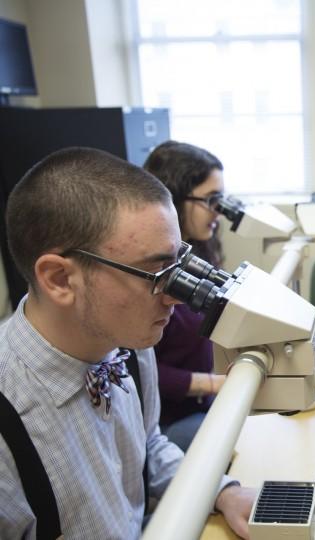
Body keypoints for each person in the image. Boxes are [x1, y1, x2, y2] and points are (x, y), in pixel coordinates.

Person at [0, 147, 254, 538]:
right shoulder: (8, 417)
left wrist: (222, 492)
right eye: (155, 274)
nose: (174, 296)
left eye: (176, 265)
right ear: (59, 279)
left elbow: (150, 446)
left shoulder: (130, 344)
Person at [143, 141, 227, 451]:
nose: (218, 212)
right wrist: (213, 383)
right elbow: (142, 370)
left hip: (203, 399)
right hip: (166, 423)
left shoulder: (198, 251)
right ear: (174, 200)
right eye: (210, 200)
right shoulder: (148, 273)